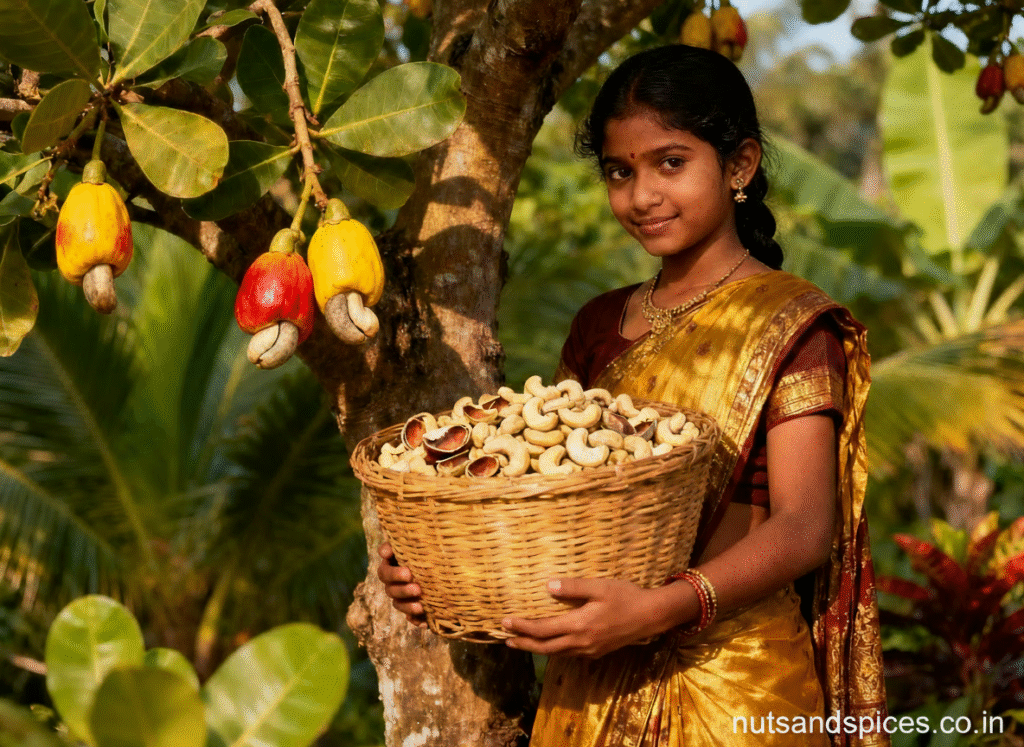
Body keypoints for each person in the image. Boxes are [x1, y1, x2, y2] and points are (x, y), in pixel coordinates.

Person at [378, 44, 889, 746]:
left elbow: (803, 527)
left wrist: (661, 609)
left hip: (739, 684)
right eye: (621, 172)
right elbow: (550, 494)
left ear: (739, 165)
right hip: (593, 684)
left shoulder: (790, 323)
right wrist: (437, 567)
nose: (642, 195)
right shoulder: (598, 324)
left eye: (670, 163)